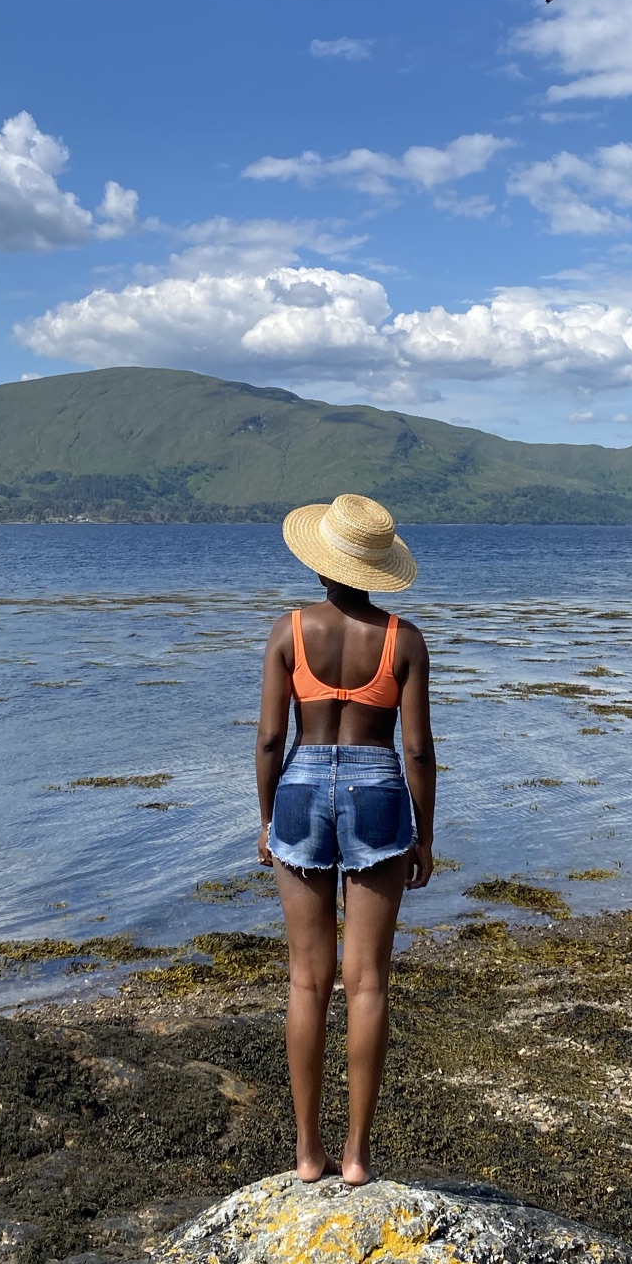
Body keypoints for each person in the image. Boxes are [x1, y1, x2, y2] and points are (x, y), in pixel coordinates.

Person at [256, 493, 435, 1185]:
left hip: (300, 787)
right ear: (377, 568)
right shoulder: (402, 639)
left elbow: (273, 738)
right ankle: (357, 1156)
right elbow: (417, 750)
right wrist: (424, 834)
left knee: (307, 981)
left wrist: (268, 819)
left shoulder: (287, 633)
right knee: (367, 984)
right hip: (379, 787)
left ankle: (307, 1154)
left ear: (320, 562)